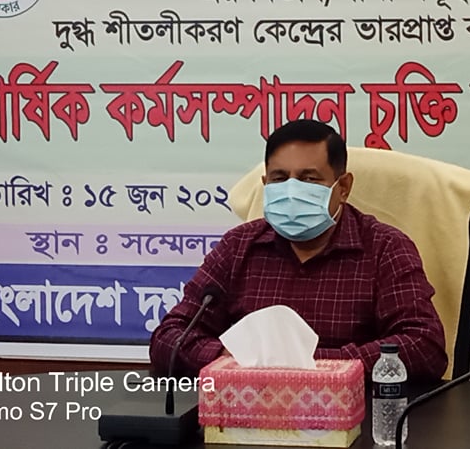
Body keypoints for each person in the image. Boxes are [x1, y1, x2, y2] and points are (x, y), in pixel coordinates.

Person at [149, 120, 448, 382]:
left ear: (343, 187)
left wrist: (312, 367)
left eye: (309, 179)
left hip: (353, 417)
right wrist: (228, 359)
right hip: (249, 412)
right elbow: (168, 338)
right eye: (280, 178)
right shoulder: (238, 247)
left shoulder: (385, 248)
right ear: (265, 184)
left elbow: (425, 347)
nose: (292, 191)